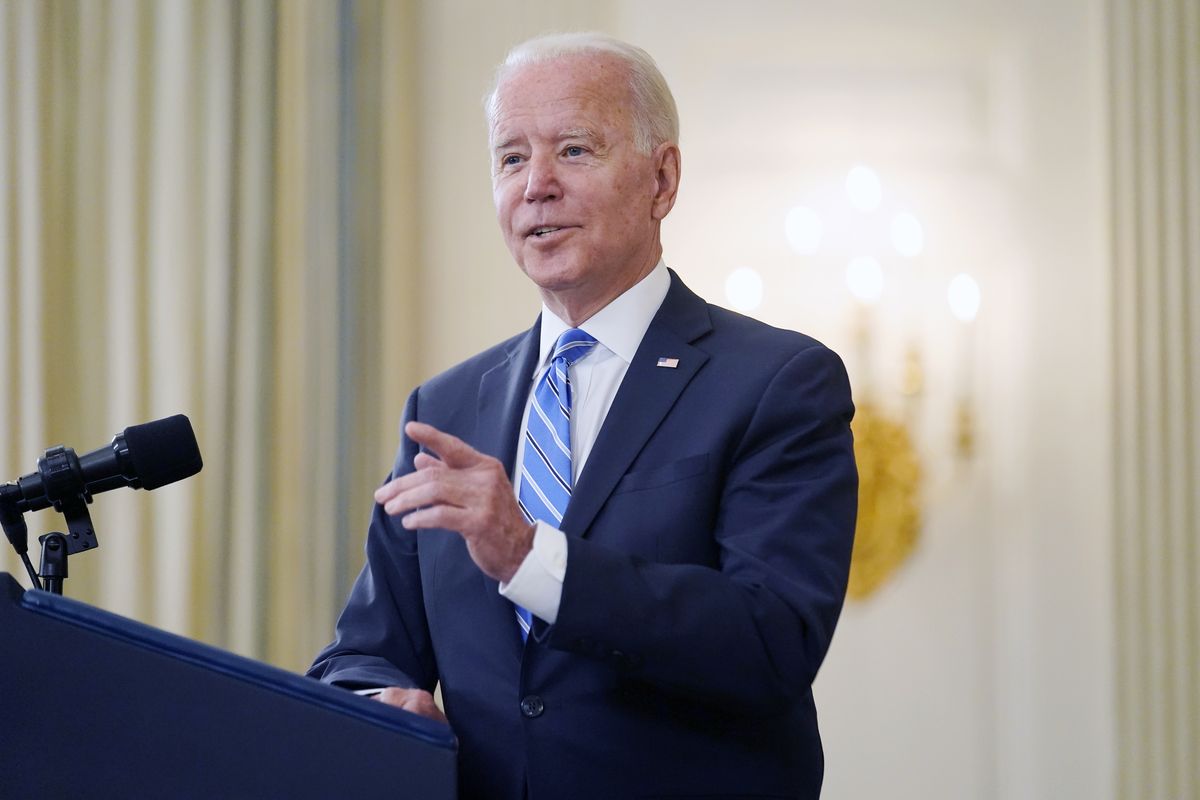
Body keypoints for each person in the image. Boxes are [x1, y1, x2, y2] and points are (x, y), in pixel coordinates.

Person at [308, 32, 857, 800]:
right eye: (509, 158)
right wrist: (377, 703)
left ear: (661, 180)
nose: (535, 185)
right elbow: (366, 650)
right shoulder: (445, 408)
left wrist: (532, 558)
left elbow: (770, 639)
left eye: (572, 150)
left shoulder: (777, 383)